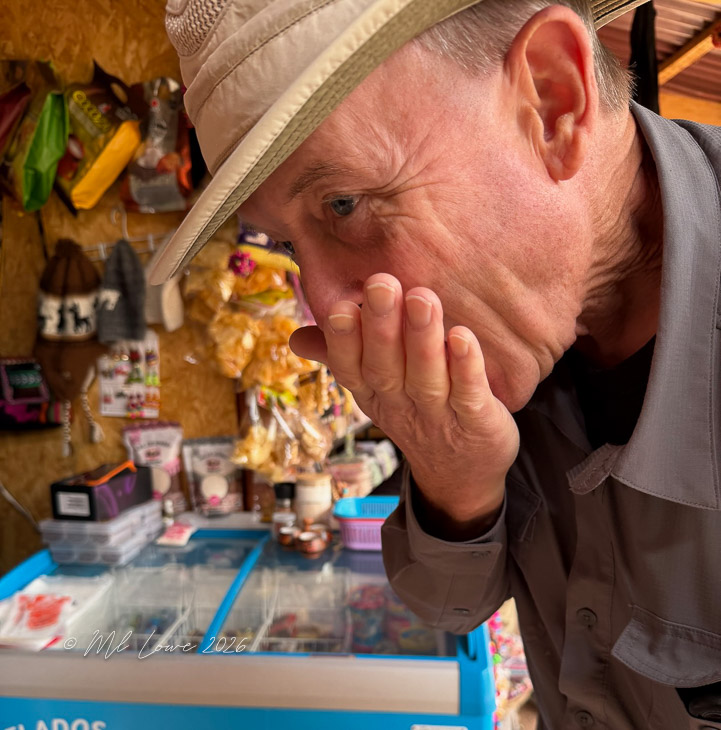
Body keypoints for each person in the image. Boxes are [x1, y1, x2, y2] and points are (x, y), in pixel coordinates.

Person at [152, 0, 721, 727]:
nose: (323, 306)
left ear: (552, 100)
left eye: (345, 202)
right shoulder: (512, 328)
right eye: (288, 247)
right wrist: (454, 483)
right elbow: (450, 606)